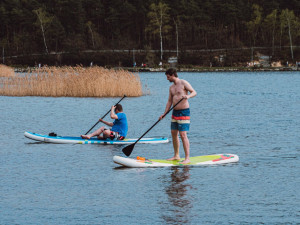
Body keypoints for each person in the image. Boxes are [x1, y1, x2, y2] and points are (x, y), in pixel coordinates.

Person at [159, 68, 197, 164]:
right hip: (174, 113)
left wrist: (188, 96)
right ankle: (176, 155)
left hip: (184, 112)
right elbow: (169, 101)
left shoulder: (183, 83)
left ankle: (187, 158)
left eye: (168, 77)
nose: (167, 79)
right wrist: (164, 113)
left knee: (183, 134)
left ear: (172, 75)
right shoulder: (171, 88)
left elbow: (194, 92)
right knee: (173, 133)